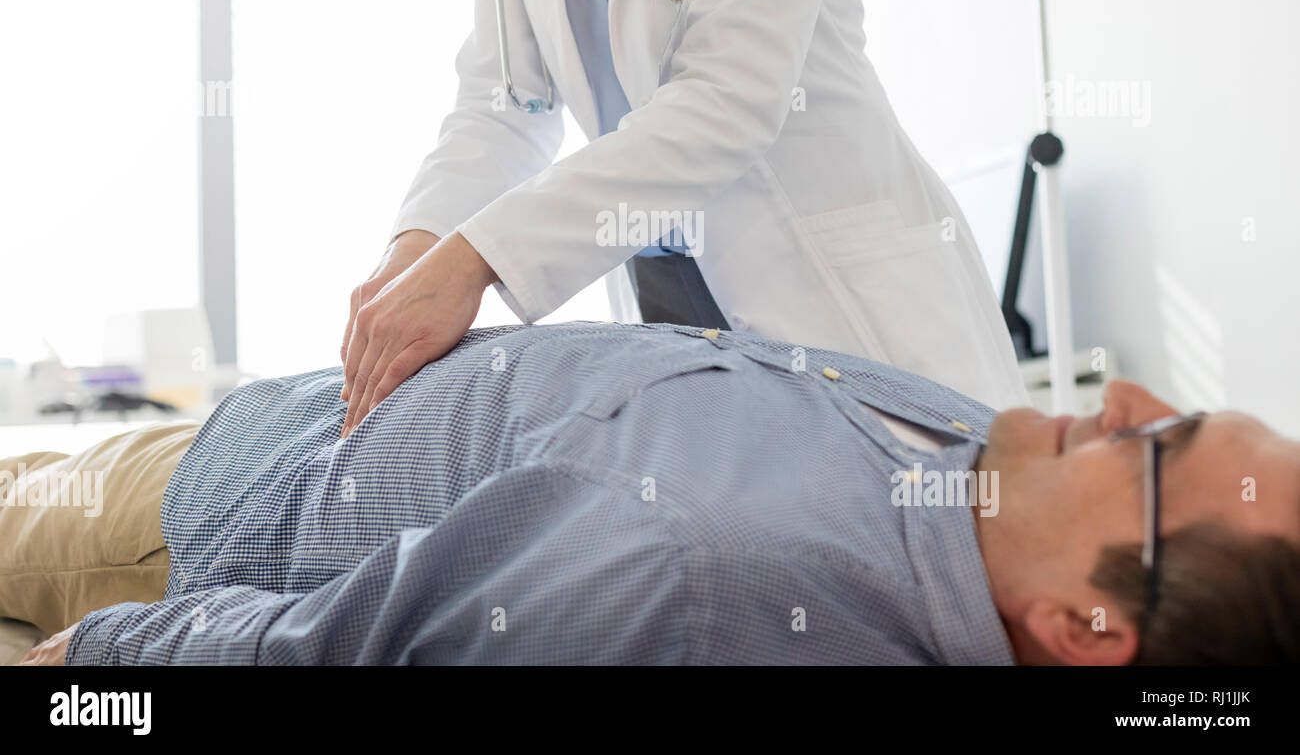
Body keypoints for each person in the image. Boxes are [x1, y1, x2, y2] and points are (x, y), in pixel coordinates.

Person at [337, 0, 1028, 440]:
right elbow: (506, 103)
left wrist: (474, 259)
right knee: (738, 561)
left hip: (837, 292)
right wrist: (412, 257)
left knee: (933, 547)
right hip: (664, 298)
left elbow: (727, 99)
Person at [11, 322, 1297, 665]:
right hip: (285, 419)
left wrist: (113, 657)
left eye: (1158, 447)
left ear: (1088, 622)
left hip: (185, 525)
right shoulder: (979, 453)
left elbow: (343, 654)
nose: (1125, 397)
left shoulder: (702, 574)